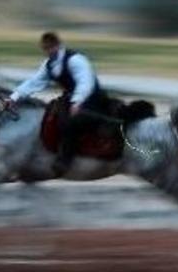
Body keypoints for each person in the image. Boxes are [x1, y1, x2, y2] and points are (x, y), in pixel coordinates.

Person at [7, 31, 110, 176]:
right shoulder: (49, 64)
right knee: (49, 117)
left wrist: (77, 102)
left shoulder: (75, 60)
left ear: (58, 46)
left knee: (70, 123)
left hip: (91, 98)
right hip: (71, 98)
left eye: (50, 48)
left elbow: (85, 82)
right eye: (45, 49)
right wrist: (14, 96)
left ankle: (66, 161)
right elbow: (35, 82)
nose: (47, 52)